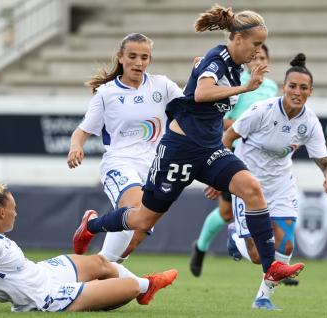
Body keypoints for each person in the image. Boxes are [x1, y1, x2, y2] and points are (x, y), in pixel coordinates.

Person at [73, 4, 305, 295]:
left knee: (251, 188)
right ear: (238, 38)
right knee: (142, 219)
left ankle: (271, 267)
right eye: (256, 44)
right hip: (179, 150)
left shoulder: (233, 66)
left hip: (209, 150)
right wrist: (243, 89)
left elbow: (195, 91)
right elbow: (202, 93)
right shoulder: (218, 57)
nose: (258, 51)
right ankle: (92, 225)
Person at [0, 178, 177, 312]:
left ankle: (148, 287)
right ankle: (147, 285)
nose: (16, 213)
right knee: (130, 287)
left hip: (43, 272)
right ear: (1, 212)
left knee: (100, 262)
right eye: (13, 208)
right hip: (46, 296)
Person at [222, 53, 327, 310]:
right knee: (255, 256)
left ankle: (263, 298)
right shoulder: (261, 110)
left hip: (281, 185)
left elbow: (324, 160)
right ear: (284, 86)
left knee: (285, 242)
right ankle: (235, 236)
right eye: (292, 86)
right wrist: (221, 174)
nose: (297, 92)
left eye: (303, 88)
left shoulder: (309, 122)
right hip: (247, 184)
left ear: (310, 91)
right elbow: (228, 137)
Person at [67, 33, 184, 261]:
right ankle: (95, 239)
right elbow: (82, 131)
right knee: (135, 208)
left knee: (130, 243)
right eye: (132, 56)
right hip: (120, 162)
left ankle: (101, 268)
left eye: (145, 57)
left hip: (155, 167)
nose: (139, 63)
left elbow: (189, 108)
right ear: (120, 57)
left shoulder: (163, 85)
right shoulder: (106, 93)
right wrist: (75, 147)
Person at [189, 44, 278, 277]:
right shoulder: (238, 84)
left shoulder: (271, 87)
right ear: (248, 59)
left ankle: (275, 263)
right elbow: (223, 121)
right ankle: (200, 247)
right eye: (255, 56)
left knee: (264, 206)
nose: (258, 60)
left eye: (263, 57)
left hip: (263, 157)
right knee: (227, 212)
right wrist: (245, 126)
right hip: (237, 153)